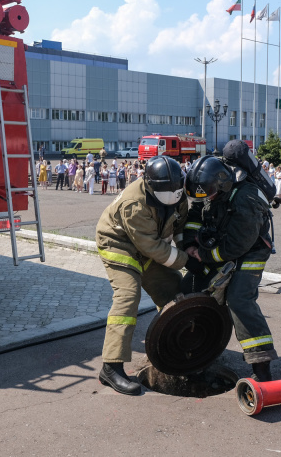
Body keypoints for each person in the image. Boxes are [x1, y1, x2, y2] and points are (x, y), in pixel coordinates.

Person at [95, 156, 195, 395]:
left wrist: (186, 248)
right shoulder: (134, 204)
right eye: (167, 191)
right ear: (150, 184)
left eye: (176, 190)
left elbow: (179, 226)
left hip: (149, 246)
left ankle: (181, 349)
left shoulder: (176, 191)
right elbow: (150, 247)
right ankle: (111, 367)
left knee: (175, 293)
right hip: (119, 245)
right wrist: (187, 261)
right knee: (128, 296)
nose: (173, 195)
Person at [182, 153, 278, 382]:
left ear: (223, 184)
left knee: (238, 299)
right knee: (189, 286)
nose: (208, 198)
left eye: (211, 194)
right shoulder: (210, 186)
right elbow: (197, 211)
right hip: (221, 248)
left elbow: (236, 246)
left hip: (250, 252)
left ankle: (262, 366)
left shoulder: (246, 198)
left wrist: (203, 255)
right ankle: (198, 353)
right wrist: (189, 244)